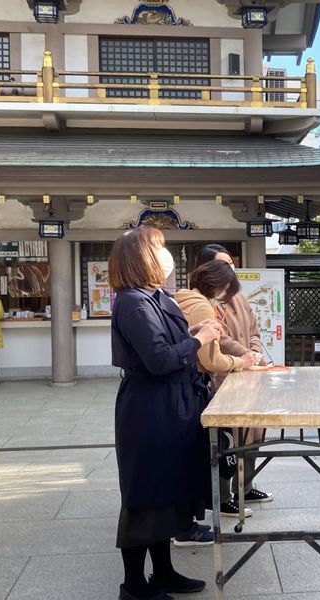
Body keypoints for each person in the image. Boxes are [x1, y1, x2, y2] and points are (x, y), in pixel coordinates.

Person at [109, 227, 223, 600]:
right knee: (147, 494)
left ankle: (163, 573)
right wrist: (200, 339)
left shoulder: (157, 297)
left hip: (173, 404)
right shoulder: (132, 301)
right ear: (142, 257)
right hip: (150, 409)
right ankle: (134, 585)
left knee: (168, 491)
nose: (166, 255)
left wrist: (194, 329)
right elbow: (158, 360)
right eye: (159, 249)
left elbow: (167, 342)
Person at [172, 259, 257, 543]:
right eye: (225, 289)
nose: (225, 296)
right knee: (202, 451)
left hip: (178, 385)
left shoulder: (182, 297)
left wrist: (245, 354)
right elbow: (209, 358)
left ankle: (184, 522)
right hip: (192, 385)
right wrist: (239, 362)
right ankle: (185, 524)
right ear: (217, 284)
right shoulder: (201, 305)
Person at [194, 245, 273, 514]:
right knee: (228, 436)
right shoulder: (205, 300)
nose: (231, 269)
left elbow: (253, 328)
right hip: (223, 375)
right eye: (224, 264)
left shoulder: (237, 294)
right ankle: (225, 495)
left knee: (253, 432)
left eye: (231, 263)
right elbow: (220, 339)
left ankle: (246, 488)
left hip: (249, 373)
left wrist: (255, 350)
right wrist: (245, 355)